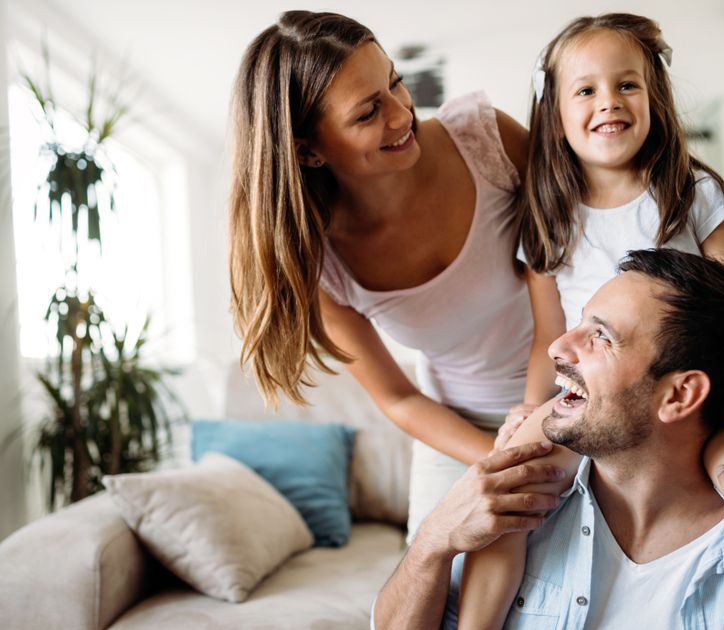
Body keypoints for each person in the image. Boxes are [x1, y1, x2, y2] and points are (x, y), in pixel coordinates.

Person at [456, 14, 724, 630]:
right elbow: (551, 332)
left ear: (654, 96)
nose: (609, 103)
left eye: (627, 85)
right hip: (593, 398)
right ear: (554, 113)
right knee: (508, 483)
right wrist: (529, 407)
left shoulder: (693, 193)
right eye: (586, 90)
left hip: (712, 397)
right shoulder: (549, 217)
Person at [372, 249, 724, 630]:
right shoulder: (519, 502)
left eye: (601, 337)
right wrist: (431, 544)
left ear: (679, 396)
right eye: (578, 323)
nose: (557, 348)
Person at [228, 10, 569, 540]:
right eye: (368, 113)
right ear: (307, 150)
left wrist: (538, 422)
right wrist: (501, 458)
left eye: (395, 83)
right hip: (461, 431)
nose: (402, 114)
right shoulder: (322, 268)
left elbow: (581, 248)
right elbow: (399, 398)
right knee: (432, 588)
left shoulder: (486, 140)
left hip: (574, 392)